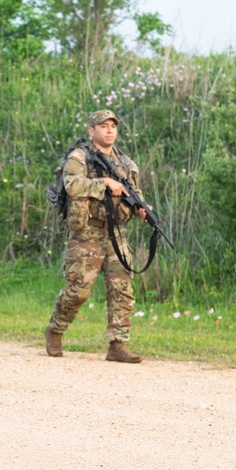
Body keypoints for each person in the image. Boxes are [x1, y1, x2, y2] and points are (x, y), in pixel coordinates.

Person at [45, 110, 148, 364]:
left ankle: (118, 344)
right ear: (92, 131)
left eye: (113, 126)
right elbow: (72, 185)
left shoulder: (125, 162)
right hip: (86, 234)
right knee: (78, 290)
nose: (110, 130)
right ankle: (55, 329)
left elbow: (134, 192)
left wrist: (142, 209)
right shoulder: (79, 157)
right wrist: (104, 183)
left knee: (121, 289)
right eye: (104, 126)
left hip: (115, 233)